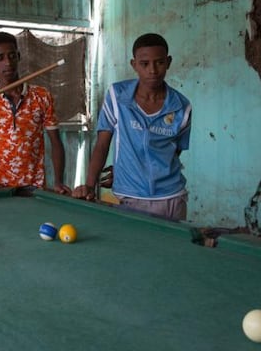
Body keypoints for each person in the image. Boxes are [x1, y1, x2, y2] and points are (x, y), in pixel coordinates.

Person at [72, 33, 192, 221]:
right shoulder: (116, 96)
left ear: (168, 62)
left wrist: (137, 167)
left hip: (171, 198)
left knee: (170, 250)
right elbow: (102, 145)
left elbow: (174, 152)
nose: (152, 70)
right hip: (130, 197)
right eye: (144, 64)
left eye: (159, 62)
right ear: (134, 64)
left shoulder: (182, 106)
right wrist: (89, 185)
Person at [0, 32, 71, 194]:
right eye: (0, 58)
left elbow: (56, 142)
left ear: (18, 56)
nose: (8, 63)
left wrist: (58, 181)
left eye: (12, 56)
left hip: (34, 189)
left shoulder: (41, 96)